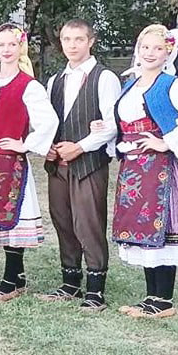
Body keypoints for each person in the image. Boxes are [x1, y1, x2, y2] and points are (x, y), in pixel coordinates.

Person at [107, 25, 178, 318]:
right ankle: (151, 297)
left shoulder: (171, 85)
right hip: (134, 168)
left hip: (160, 169)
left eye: (157, 48)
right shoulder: (131, 84)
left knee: (161, 230)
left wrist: (166, 142)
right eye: (145, 47)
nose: (150, 53)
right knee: (143, 230)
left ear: (167, 53)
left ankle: (163, 300)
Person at [0, 25, 59, 301]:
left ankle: (12, 278)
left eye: (11, 45)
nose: (6, 50)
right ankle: (16, 276)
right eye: (2, 44)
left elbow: (48, 120)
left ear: (20, 48)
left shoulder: (28, 85)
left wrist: (25, 144)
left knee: (11, 218)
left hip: (10, 162)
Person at [39, 19, 120, 311]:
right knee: (62, 221)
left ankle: (96, 290)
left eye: (78, 39)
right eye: (66, 39)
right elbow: (50, 122)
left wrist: (81, 146)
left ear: (90, 41)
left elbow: (112, 124)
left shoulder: (104, 78)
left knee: (89, 223)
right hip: (58, 165)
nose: (72, 45)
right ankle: (70, 283)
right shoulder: (55, 80)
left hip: (89, 163)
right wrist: (48, 146)